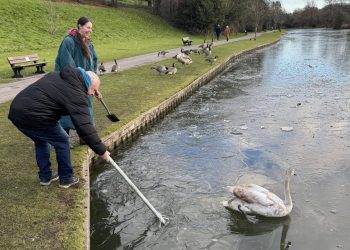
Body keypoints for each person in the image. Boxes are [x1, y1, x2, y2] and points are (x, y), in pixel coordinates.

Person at [8, 67, 110, 188]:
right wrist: (102, 151)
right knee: (62, 140)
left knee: (41, 141)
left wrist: (94, 89)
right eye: (94, 90)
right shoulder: (76, 94)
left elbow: (85, 89)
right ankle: (66, 178)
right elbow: (85, 127)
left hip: (16, 112)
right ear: (88, 84)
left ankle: (45, 177)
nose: (92, 94)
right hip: (36, 116)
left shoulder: (63, 76)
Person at [55, 16, 100, 141]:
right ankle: (63, 139)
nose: (90, 30)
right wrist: (81, 79)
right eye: (88, 27)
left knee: (85, 112)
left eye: (91, 28)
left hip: (85, 84)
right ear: (79, 26)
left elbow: (94, 62)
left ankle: (84, 138)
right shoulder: (69, 42)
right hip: (70, 83)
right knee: (67, 113)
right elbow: (66, 64)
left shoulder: (88, 43)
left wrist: (92, 81)